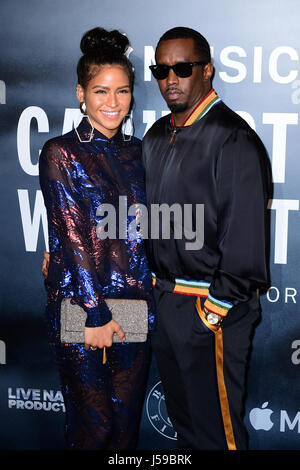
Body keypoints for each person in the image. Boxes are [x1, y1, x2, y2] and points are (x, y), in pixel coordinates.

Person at [143, 27, 272, 450]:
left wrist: (210, 314)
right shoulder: (157, 135)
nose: (171, 79)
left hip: (210, 312)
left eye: (182, 67)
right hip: (166, 305)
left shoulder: (233, 139)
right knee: (187, 433)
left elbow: (245, 243)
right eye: (161, 70)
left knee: (218, 439)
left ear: (208, 70)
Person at [39, 27, 154, 450]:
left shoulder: (141, 151)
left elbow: (151, 223)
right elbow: (72, 238)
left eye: (122, 91)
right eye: (101, 91)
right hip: (81, 306)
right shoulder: (60, 152)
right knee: (94, 430)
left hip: (137, 305)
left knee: (124, 433)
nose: (112, 103)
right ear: (80, 93)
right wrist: (94, 313)